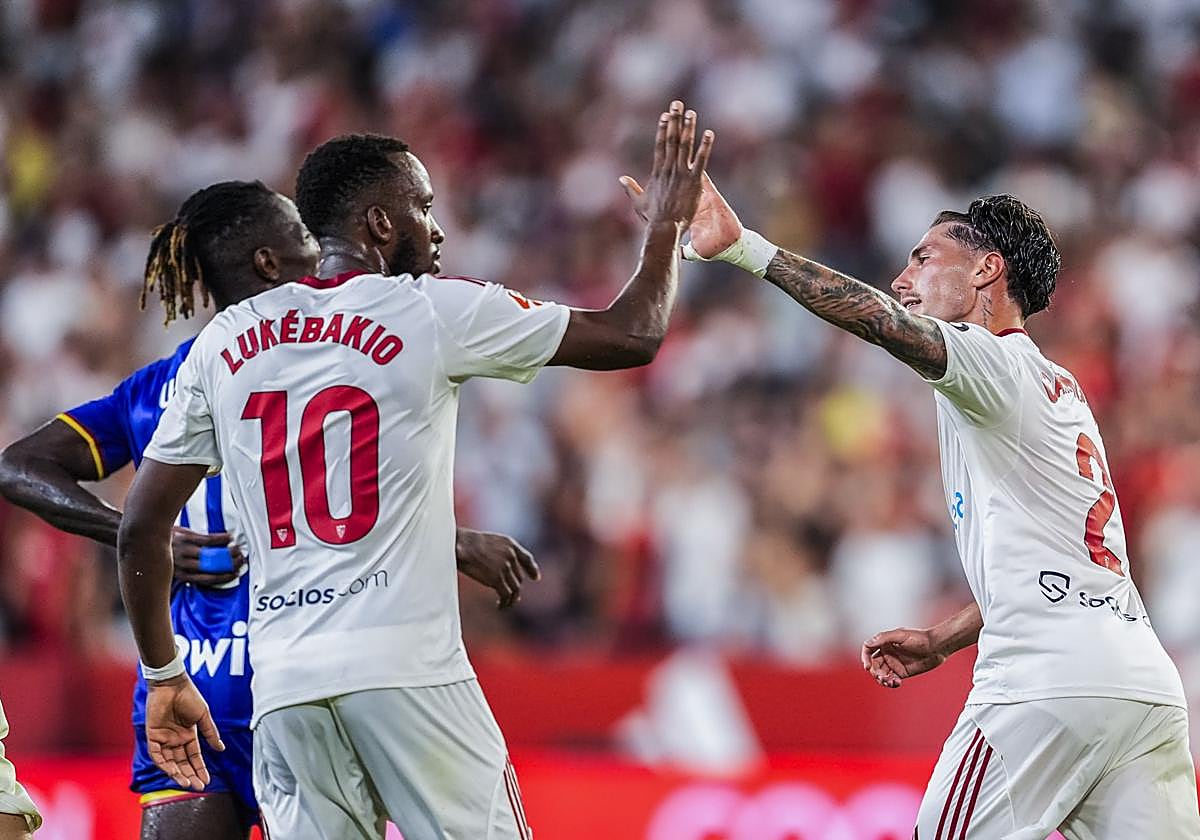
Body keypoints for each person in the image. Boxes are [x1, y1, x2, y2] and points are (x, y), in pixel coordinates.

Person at [115, 99, 712, 839]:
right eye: (422, 207)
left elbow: (141, 527)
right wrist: (667, 226)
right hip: (408, 672)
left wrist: (164, 675)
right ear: (378, 223)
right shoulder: (428, 310)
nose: (436, 228)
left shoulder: (225, 340)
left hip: (285, 688)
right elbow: (632, 334)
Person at [0, 180, 540, 840]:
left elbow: (20, 464)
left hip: (203, 676)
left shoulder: (160, 386)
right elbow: (338, 501)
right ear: (267, 263)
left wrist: (136, 535)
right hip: (310, 674)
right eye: (305, 241)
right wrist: (139, 536)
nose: (320, 254)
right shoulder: (340, 361)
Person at [671, 180, 1200, 837]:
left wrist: (744, 248)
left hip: (1044, 678)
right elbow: (1060, 565)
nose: (902, 279)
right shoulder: (1057, 385)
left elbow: (877, 320)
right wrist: (943, 639)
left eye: (923, 258)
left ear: (985, 270)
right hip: (1142, 684)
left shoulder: (990, 362)